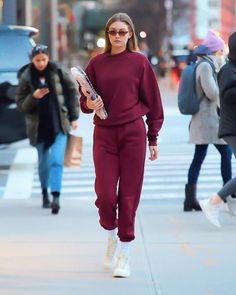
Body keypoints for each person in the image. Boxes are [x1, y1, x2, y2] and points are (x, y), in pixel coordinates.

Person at [79, 12, 164, 278]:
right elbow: (84, 101)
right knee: (105, 196)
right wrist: (89, 104)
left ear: (130, 34)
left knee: (128, 197)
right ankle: (110, 237)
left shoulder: (139, 62)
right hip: (104, 134)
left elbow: (153, 101)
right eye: (113, 32)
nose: (117, 36)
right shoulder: (96, 63)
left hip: (133, 134)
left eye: (122, 32)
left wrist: (153, 138)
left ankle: (124, 255)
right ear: (107, 34)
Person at [16, 44, 79, 214]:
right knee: (43, 164)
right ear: (32, 59)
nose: (41, 63)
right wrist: (33, 97)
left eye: (44, 59)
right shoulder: (27, 76)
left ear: (48, 57)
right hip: (38, 128)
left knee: (57, 161)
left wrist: (74, 117)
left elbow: (72, 91)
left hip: (58, 124)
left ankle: (56, 197)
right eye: (38, 60)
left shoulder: (57, 70)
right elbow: (21, 104)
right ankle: (45, 194)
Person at [183, 30, 232, 212]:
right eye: (219, 51)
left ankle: (190, 200)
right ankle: (228, 197)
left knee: (200, 157)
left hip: (206, 121)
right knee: (225, 154)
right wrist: (223, 82)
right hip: (208, 121)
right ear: (213, 51)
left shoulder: (206, 64)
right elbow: (212, 93)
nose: (221, 54)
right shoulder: (205, 66)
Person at [200, 32, 236, 227]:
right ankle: (214, 201)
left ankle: (215, 201)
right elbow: (227, 96)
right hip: (232, 128)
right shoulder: (228, 70)